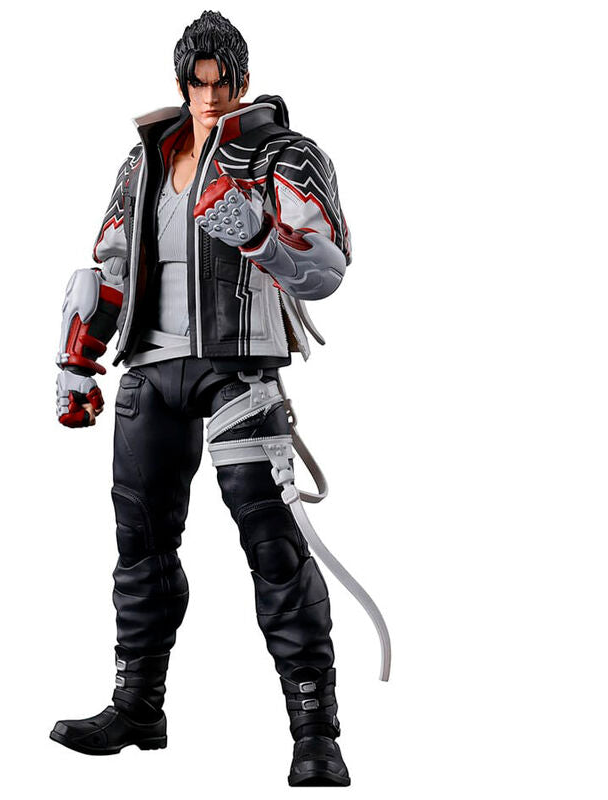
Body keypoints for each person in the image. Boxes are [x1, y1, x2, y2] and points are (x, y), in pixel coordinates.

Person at [50, 10, 384, 787]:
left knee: (273, 548)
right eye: (197, 83)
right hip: (151, 367)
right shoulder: (145, 160)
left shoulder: (281, 155)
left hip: (239, 368)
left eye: (221, 82)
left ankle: (315, 734)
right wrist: (77, 361)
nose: (208, 96)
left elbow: (328, 269)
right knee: (140, 547)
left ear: (241, 80)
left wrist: (261, 235)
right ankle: (138, 706)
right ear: (180, 82)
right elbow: (111, 268)